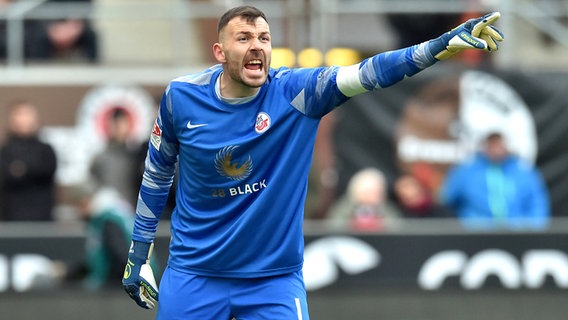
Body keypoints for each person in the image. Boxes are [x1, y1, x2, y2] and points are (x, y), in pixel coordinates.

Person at [121, 6, 503, 319]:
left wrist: (440, 46)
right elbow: (157, 176)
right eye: (244, 38)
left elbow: (372, 72)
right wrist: (139, 254)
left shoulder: (298, 93)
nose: (257, 47)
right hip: (194, 274)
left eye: (264, 38)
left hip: (272, 280)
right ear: (220, 52)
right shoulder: (181, 98)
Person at [439, 131, 550, 230]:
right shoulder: (466, 170)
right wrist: (461, 227)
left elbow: (537, 203)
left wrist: (532, 229)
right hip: (475, 234)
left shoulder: (524, 171)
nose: (496, 149)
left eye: (499, 144)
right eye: (492, 144)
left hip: (517, 233)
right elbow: (446, 199)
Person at [0, 101, 57, 221]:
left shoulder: (46, 150)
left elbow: (46, 170)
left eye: (27, 114)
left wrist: (22, 168)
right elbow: (8, 174)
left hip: (42, 218)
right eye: (19, 114)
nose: (23, 119)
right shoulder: (5, 151)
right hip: (12, 218)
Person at [90, 108, 140, 206]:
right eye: (115, 125)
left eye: (122, 124)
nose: (119, 129)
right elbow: (91, 182)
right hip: (108, 212)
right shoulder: (101, 158)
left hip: (132, 211)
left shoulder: (136, 157)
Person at [327, 167, 401, 231]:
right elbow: (333, 226)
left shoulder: (386, 208)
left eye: (378, 191)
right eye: (370, 191)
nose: (376, 195)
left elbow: (396, 227)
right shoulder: (344, 207)